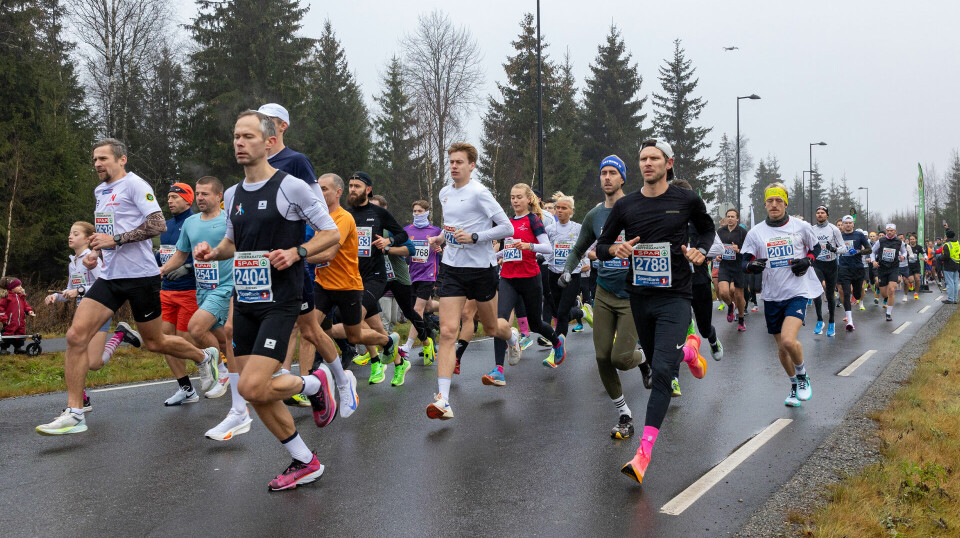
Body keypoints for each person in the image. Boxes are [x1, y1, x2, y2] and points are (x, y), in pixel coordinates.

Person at [194, 110, 341, 490]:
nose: (239, 143)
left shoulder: (292, 186)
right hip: (245, 300)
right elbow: (232, 243)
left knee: (251, 386)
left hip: (280, 300)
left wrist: (297, 252)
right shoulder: (232, 193)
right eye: (235, 137)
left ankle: (314, 383)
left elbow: (329, 234)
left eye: (247, 136)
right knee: (256, 394)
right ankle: (304, 460)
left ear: (268, 142)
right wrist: (214, 252)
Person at [36, 138, 220, 436]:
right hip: (109, 276)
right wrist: (98, 251)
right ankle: (74, 412)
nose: (97, 163)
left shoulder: (136, 185)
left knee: (155, 342)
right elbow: (109, 231)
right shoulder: (100, 191)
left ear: (121, 160)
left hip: (141, 276)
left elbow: (158, 224)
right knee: (75, 336)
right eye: (95, 159)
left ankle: (205, 357)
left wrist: (116, 240)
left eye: (103, 158)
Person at [595, 140, 713, 483]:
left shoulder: (686, 200)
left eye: (654, 158)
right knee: (661, 358)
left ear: (668, 163)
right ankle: (690, 351)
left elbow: (707, 229)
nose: (648, 163)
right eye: (643, 158)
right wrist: (614, 249)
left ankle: (643, 454)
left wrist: (702, 251)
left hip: (676, 296)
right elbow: (602, 245)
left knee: (662, 372)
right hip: (640, 297)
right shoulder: (627, 205)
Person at [560, 155, 650, 439]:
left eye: (613, 173)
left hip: (633, 294)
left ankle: (646, 357)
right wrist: (566, 271)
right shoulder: (594, 215)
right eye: (603, 173)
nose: (607, 178)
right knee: (601, 356)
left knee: (622, 358)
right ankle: (624, 413)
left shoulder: (638, 208)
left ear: (623, 178)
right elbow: (578, 249)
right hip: (605, 292)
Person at [425, 142, 517, 420]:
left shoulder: (479, 192)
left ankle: (512, 336)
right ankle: (443, 399)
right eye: (451, 162)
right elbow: (450, 224)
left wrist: (476, 237)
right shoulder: (444, 193)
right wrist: (441, 238)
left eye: (459, 162)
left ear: (471, 165)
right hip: (452, 268)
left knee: (491, 328)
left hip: (481, 270)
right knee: (448, 331)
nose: (453, 166)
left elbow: (507, 227)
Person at [160, 176, 251, 441]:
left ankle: (220, 369)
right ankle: (237, 374)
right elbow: (181, 253)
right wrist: (163, 270)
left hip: (226, 286)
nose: (200, 198)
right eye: (197, 194)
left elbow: (242, 248)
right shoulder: (189, 223)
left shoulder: (229, 221)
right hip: (203, 288)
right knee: (226, 338)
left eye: (205, 194)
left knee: (196, 329)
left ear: (219, 196)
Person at [258, 103, 335, 396]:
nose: (260, 125)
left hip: (291, 257)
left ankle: (336, 380)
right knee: (257, 326)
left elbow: (318, 211)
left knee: (309, 329)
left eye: (267, 120)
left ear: (282, 127)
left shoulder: (296, 161)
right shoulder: (254, 162)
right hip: (260, 260)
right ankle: (280, 380)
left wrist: (306, 249)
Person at [44, 222, 141, 411]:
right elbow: (70, 290)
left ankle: (120, 335)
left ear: (88, 238)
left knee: (93, 363)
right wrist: (56, 297)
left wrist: (79, 291)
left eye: (76, 233)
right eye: (70, 233)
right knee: (78, 357)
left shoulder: (92, 259)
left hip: (99, 310)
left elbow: (105, 285)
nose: (70, 236)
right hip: (82, 313)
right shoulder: (73, 261)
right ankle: (83, 400)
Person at [742, 183, 822, 408]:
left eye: (779, 200)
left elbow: (815, 249)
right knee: (781, 347)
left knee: (788, 339)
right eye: (770, 201)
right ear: (765, 204)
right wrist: (751, 266)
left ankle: (803, 374)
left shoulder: (801, 226)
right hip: (771, 294)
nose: (774, 205)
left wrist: (808, 261)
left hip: (797, 291)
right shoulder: (756, 232)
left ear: (785, 203)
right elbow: (744, 261)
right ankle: (794, 385)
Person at [484, 184, 563, 385]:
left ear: (528, 199)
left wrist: (529, 246)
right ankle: (498, 370)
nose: (515, 201)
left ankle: (556, 341)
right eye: (512, 197)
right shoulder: (508, 223)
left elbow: (548, 248)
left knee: (536, 324)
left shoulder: (534, 220)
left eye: (519, 197)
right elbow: (509, 249)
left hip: (530, 279)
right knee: (500, 322)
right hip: (508, 278)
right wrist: (494, 255)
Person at [344, 172, 404, 383]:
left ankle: (379, 356)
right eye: (350, 185)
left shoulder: (378, 213)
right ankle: (398, 362)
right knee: (375, 326)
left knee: (355, 319)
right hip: (352, 277)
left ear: (368, 189)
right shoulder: (345, 214)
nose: (352, 189)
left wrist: (389, 241)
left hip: (375, 277)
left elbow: (402, 235)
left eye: (357, 186)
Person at [157, 182, 213, 405]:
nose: (170, 200)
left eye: (175, 197)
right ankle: (186, 389)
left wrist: (188, 267)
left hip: (189, 289)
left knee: (184, 340)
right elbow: (164, 255)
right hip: (166, 291)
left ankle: (221, 365)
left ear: (188, 199)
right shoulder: (165, 225)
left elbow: (208, 251)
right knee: (164, 342)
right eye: (168, 197)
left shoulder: (196, 222)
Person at [368, 193, 432, 385]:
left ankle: (427, 342)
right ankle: (372, 352)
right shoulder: (365, 227)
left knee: (409, 311)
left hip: (397, 276)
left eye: (375, 207)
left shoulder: (390, 229)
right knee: (365, 307)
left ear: (384, 209)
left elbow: (410, 250)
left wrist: (387, 249)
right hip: (378, 277)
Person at [542, 191, 590, 368]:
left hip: (572, 275)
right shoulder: (549, 230)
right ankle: (582, 313)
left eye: (564, 208)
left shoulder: (578, 228)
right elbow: (544, 249)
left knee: (561, 313)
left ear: (571, 211)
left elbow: (590, 245)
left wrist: (583, 252)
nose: (559, 210)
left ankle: (556, 352)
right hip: (553, 274)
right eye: (557, 208)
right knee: (558, 312)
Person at [403, 200, 441, 363]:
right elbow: (404, 253)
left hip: (428, 275)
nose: (416, 214)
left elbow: (441, 248)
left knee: (416, 309)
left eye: (419, 211)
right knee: (428, 307)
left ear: (427, 212)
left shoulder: (435, 231)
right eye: (414, 211)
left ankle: (408, 346)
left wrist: (439, 249)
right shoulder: (407, 230)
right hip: (412, 275)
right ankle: (452, 307)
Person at [811, 206, 845, 337]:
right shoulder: (812, 229)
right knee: (817, 290)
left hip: (831, 264)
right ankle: (820, 320)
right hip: (817, 263)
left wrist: (834, 249)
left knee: (830, 294)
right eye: (818, 213)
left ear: (827, 215)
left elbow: (843, 248)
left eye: (822, 213)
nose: (820, 215)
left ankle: (831, 322)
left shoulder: (834, 229)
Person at [837, 216, 871, 331]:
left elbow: (869, 249)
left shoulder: (859, 235)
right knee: (846, 293)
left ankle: (856, 297)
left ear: (853, 224)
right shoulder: (839, 236)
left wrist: (858, 251)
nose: (847, 225)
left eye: (849, 223)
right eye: (845, 223)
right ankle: (850, 320)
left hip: (857, 268)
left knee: (856, 294)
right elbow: (834, 249)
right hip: (844, 268)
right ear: (842, 224)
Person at [716, 208, 748, 331]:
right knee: (723, 292)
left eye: (732, 216)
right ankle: (730, 306)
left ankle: (741, 319)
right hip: (725, 265)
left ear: (737, 219)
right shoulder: (720, 231)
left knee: (739, 295)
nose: (730, 219)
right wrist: (717, 256)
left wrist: (738, 250)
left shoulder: (743, 232)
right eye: (728, 216)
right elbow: (716, 247)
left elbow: (748, 251)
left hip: (738, 266)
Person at [871, 224, 908, 321]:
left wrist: (903, 256)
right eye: (888, 230)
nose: (889, 232)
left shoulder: (899, 242)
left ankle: (888, 313)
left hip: (894, 268)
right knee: (884, 294)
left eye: (891, 230)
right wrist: (873, 261)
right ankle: (882, 293)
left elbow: (904, 251)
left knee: (892, 289)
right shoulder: (881, 241)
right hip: (882, 268)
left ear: (895, 231)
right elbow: (872, 251)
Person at [0, 278, 35, 353]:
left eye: (21, 285)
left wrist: (29, 311)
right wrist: (4, 318)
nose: (21, 287)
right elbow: (1, 308)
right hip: (9, 321)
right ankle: (3, 349)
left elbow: (26, 306)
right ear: (12, 288)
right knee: (7, 334)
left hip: (20, 321)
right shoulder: (7, 297)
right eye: (18, 286)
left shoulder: (21, 297)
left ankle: (18, 348)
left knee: (20, 334)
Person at [939, 230, 960, 304]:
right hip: (956, 263)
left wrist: (940, 258)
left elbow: (946, 256)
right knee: (955, 282)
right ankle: (955, 298)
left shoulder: (946, 245)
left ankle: (950, 299)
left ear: (947, 236)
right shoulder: (957, 243)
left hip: (949, 265)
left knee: (950, 282)